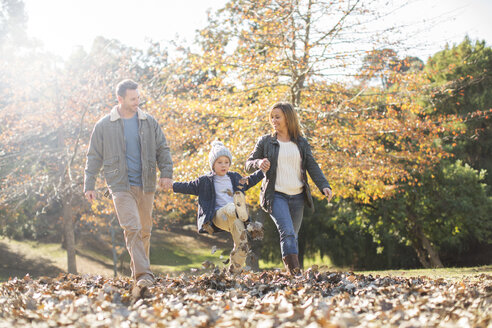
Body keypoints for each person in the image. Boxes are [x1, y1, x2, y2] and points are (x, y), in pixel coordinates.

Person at [84, 79, 173, 287]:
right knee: (132, 228)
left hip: (146, 183)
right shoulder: (104, 125)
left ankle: (140, 275)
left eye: (138, 97)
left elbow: (163, 148)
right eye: (133, 99)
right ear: (120, 99)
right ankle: (144, 275)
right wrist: (89, 184)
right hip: (119, 185)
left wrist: (166, 173)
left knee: (144, 231)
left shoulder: (148, 122)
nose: (137, 102)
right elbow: (93, 157)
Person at [245, 102, 333, 275]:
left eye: (277, 117)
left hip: (298, 197)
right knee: (287, 233)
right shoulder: (266, 141)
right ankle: (295, 273)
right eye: (272, 117)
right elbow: (248, 164)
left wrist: (324, 185)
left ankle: (291, 272)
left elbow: (312, 165)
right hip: (275, 195)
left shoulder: (300, 142)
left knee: (293, 235)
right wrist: (259, 163)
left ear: (288, 118)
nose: (273, 120)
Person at [172, 141, 264, 274]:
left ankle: (234, 271)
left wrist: (263, 171)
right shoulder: (205, 181)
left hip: (234, 220)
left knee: (243, 244)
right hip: (218, 216)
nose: (223, 165)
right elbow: (188, 186)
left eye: (226, 162)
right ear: (213, 165)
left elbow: (251, 180)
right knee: (230, 207)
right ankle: (241, 211)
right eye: (219, 162)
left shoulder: (235, 177)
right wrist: (172, 185)